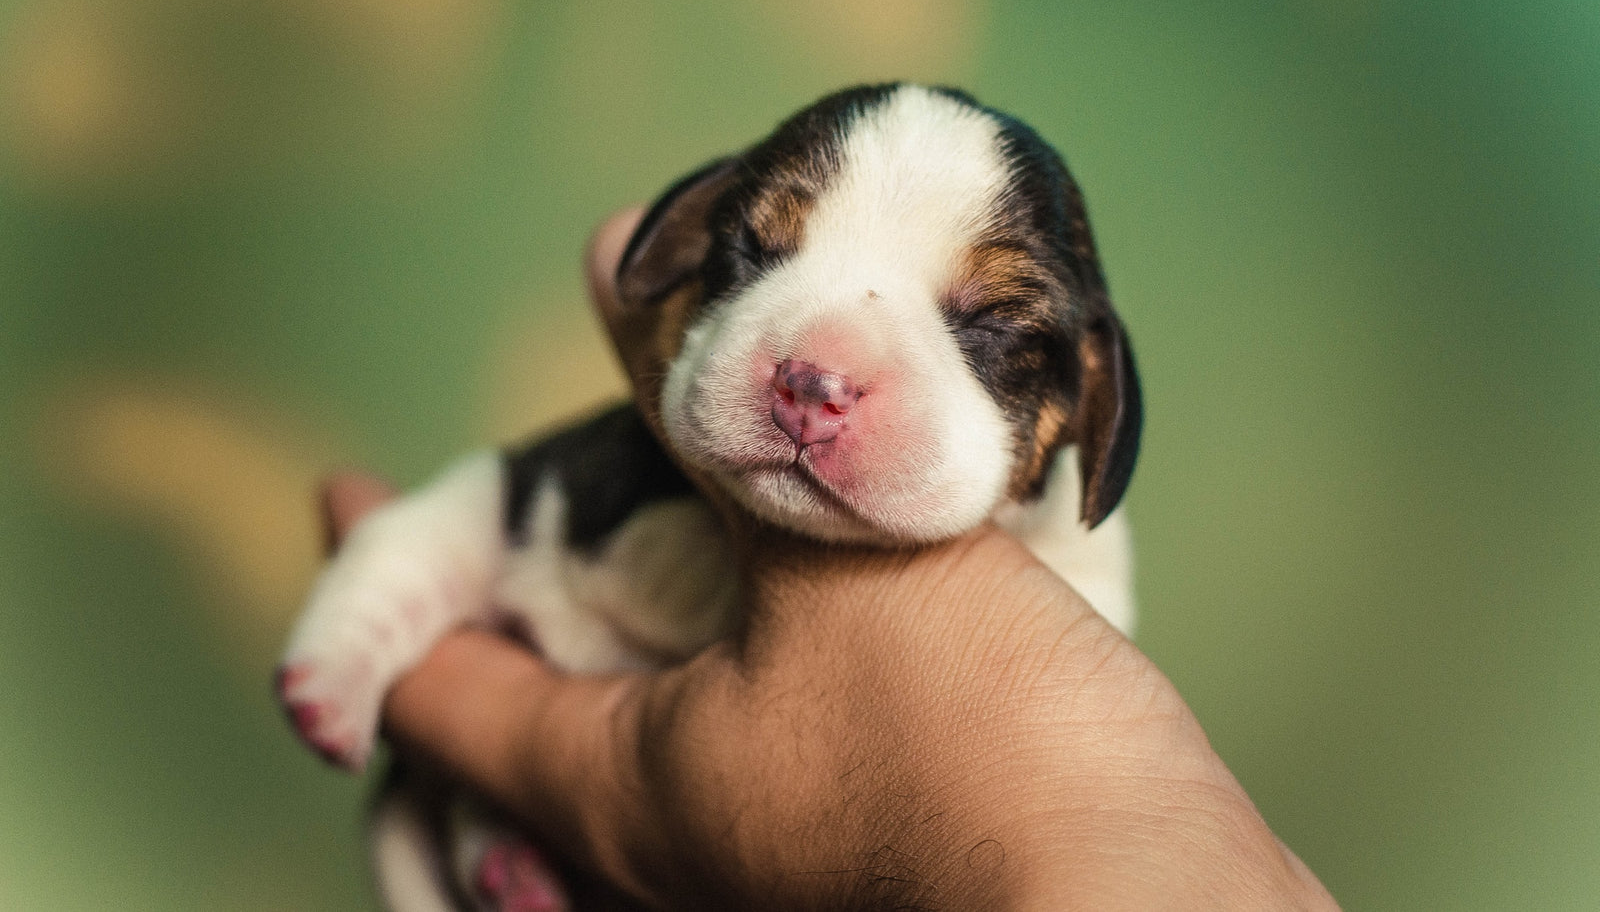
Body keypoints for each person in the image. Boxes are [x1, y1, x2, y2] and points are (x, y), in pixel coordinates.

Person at [328, 208, 1338, 910]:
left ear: (1091, 404)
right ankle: (478, 822)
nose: (823, 371)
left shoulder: (1082, 555)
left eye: (986, 318)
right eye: (763, 251)